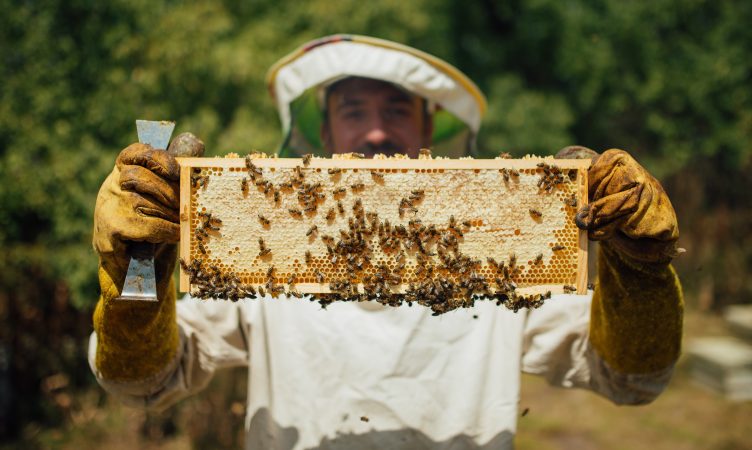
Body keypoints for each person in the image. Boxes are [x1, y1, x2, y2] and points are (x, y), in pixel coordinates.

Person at [89, 35, 683, 449]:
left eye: (397, 109)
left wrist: (638, 271)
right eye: (355, 110)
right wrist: (142, 271)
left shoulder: (503, 252)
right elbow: (143, 381)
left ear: (427, 129)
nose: (376, 129)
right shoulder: (264, 246)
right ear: (325, 132)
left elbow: (627, 375)